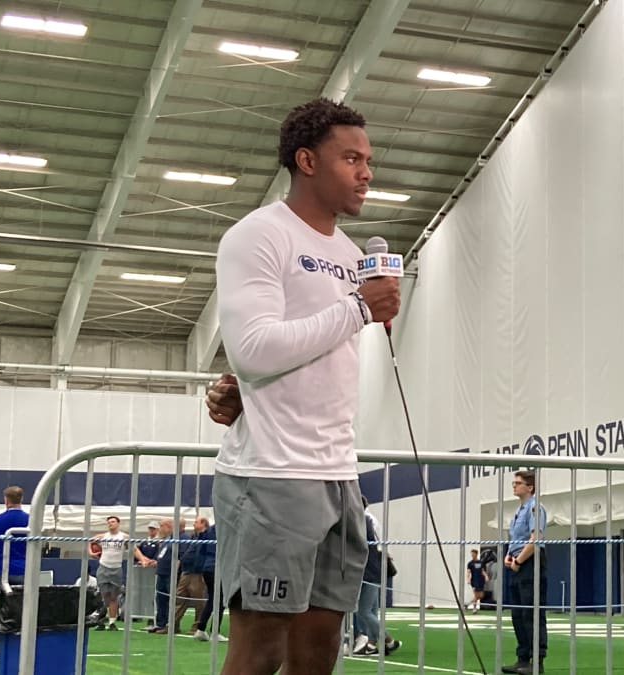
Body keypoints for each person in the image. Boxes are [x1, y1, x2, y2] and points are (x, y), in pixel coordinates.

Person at [211, 97, 399, 675]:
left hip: (338, 473)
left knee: (319, 651)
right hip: (272, 474)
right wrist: (358, 308)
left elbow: (293, 358)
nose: (366, 172)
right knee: (260, 650)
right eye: (351, 158)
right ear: (307, 161)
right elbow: (255, 348)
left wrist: (243, 386)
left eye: (368, 159)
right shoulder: (259, 236)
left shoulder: (348, 255)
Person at [501, 470, 548, 675]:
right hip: (517, 563)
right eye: (514, 482)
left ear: (530, 487)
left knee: (532, 613)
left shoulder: (535, 508)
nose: (514, 485)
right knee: (518, 614)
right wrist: (509, 556)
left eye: (518, 483)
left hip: (530, 564)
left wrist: (519, 560)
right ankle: (522, 658)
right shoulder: (519, 510)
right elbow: (516, 540)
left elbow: (535, 539)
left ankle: (536, 661)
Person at [0, 486, 29, 654]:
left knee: (0, 607)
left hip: (0, 569)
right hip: (24, 568)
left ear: (6, 499)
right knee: (23, 606)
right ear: (21, 499)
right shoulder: (31, 519)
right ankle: (22, 644)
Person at [350, 507, 400, 657]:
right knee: (371, 611)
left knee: (363, 611)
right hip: (375, 571)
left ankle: (388, 640)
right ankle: (372, 644)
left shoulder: (363, 521)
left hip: (368, 572)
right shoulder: (371, 520)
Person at [90, 516, 150, 630]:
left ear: (118, 523)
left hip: (116, 568)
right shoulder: (103, 536)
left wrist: (142, 559)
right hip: (103, 567)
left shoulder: (124, 537)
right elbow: (89, 541)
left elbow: (134, 549)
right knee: (103, 596)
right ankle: (101, 620)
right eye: (108, 522)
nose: (110, 524)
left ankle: (112, 622)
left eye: (112, 522)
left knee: (113, 596)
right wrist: (91, 553)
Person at [191, 516, 224, 642]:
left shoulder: (208, 531)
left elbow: (201, 551)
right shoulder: (221, 529)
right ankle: (214, 631)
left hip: (207, 567)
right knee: (219, 601)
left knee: (212, 599)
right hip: (216, 567)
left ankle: (201, 628)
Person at [147, 518, 176, 634]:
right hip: (161, 573)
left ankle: (170, 623)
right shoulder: (164, 541)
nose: (160, 529)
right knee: (160, 599)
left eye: (162, 526)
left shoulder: (174, 540)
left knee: (170, 599)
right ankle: (160, 623)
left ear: (168, 527)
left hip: (169, 573)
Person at [466, 548, 488, 613]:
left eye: (473, 554)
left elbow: (482, 571)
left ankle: (468, 604)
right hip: (474, 581)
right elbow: (468, 572)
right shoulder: (470, 563)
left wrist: (486, 576)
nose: (472, 555)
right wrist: (468, 579)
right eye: (471, 554)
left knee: (481, 595)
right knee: (476, 595)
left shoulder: (480, 562)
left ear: (476, 554)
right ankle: (474, 609)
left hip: (481, 580)